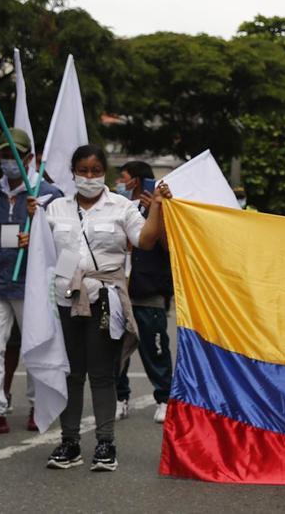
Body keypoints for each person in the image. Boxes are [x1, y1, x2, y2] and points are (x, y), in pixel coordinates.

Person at [22, 144, 169, 471]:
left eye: (95, 171)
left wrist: (157, 207)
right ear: (73, 173)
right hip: (64, 299)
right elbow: (40, 252)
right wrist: (30, 226)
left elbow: (145, 239)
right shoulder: (54, 208)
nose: (89, 177)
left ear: (105, 173)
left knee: (102, 374)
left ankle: (105, 444)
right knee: (70, 372)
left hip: (105, 298)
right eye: (83, 171)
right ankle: (70, 442)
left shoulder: (121, 206)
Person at [0, 129, 62, 435]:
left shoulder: (48, 193)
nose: (9, 161)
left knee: (35, 346)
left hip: (30, 285)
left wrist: (36, 236)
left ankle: (39, 406)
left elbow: (61, 238)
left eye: (15, 155)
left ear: (29, 158)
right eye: (4, 155)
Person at [113, 161, 173, 424]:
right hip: (117, 292)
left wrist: (154, 215)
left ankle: (164, 399)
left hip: (148, 292)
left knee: (155, 349)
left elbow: (170, 248)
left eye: (122, 178)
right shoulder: (116, 208)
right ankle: (119, 398)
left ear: (135, 181)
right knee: (113, 349)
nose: (119, 182)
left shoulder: (161, 209)